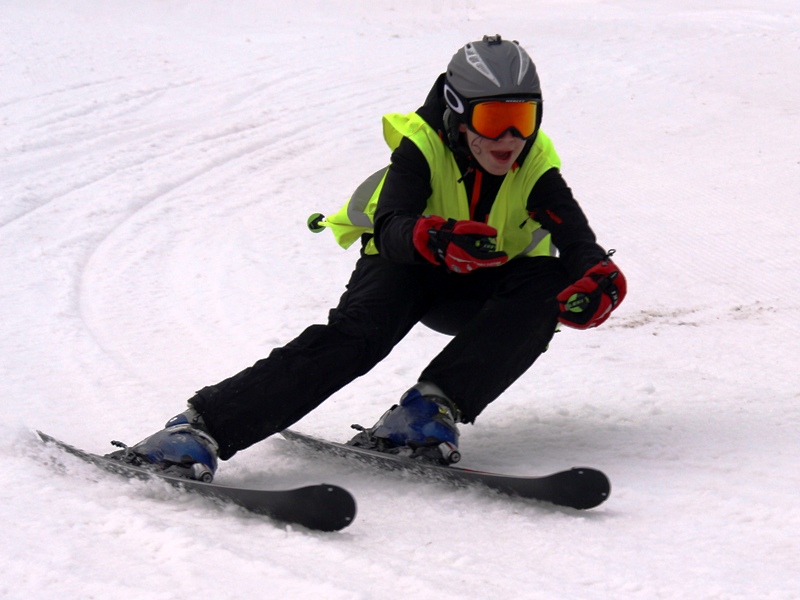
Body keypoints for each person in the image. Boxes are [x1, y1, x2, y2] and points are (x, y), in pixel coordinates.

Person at [110, 35, 627, 481]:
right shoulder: (422, 146)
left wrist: (596, 276)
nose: (510, 138)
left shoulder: (535, 161)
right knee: (359, 338)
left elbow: (576, 238)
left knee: (549, 282)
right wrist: (435, 237)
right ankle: (197, 431)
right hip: (405, 267)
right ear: (457, 110)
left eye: (523, 118)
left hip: (476, 286)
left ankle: (426, 411)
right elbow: (392, 222)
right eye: (494, 118)